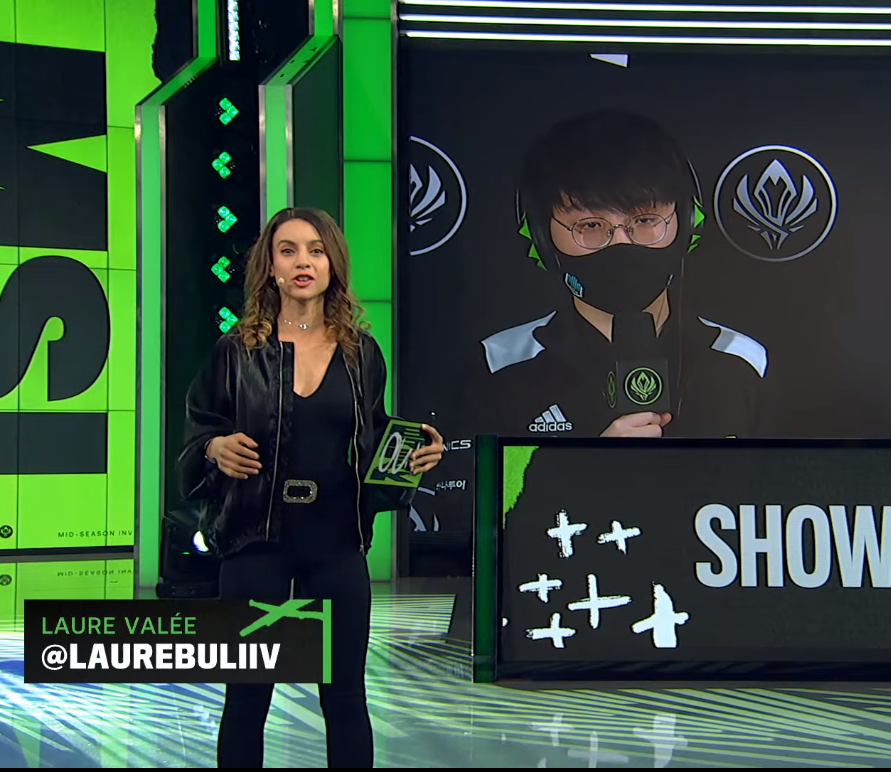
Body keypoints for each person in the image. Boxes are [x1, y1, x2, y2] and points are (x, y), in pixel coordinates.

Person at [175, 207, 446, 768]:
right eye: (289, 250)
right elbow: (200, 428)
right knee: (246, 699)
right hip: (254, 540)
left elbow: (372, 438)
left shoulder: (362, 353)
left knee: (345, 698)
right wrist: (213, 448)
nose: (304, 262)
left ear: (333, 265)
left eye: (316, 250)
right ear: (270, 268)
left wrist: (411, 456)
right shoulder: (235, 351)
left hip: (336, 542)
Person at [469, 111, 772, 439]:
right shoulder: (497, 365)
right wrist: (595, 465)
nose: (622, 244)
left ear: (687, 223)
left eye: (645, 221)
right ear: (542, 237)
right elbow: (475, 474)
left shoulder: (746, 362)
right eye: (591, 225)